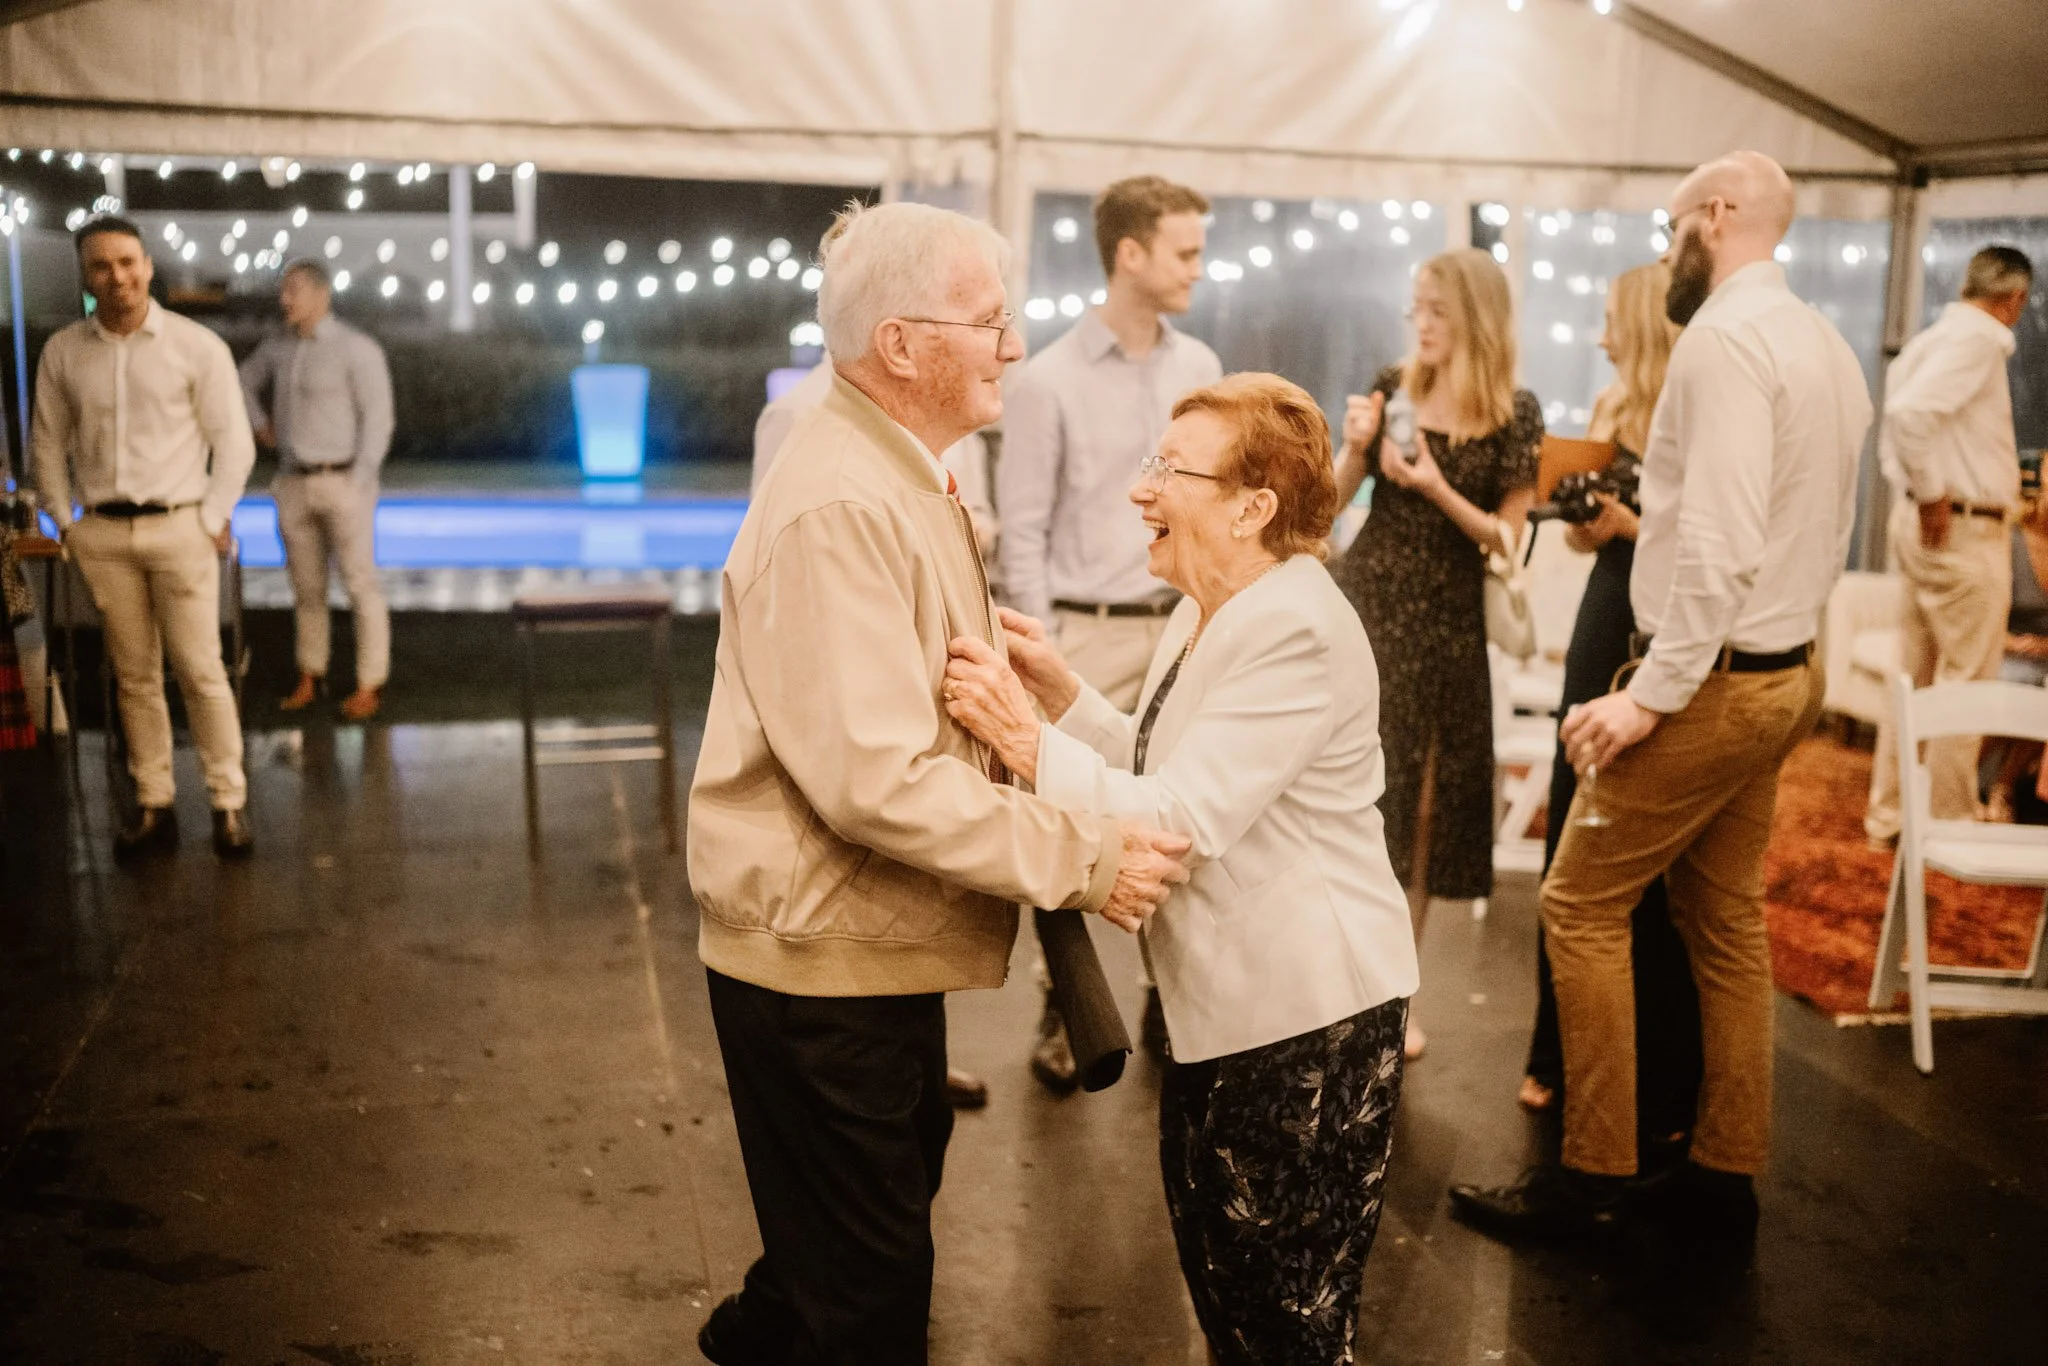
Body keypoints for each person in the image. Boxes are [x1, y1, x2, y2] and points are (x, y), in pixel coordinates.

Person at [686, 201, 1192, 1366]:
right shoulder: (843, 499)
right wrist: (1085, 857)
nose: (1013, 347)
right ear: (902, 346)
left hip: (861, 939)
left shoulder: (896, 465)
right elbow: (874, 781)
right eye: (989, 322)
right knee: (864, 1300)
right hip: (819, 957)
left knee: (861, 1224)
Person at [942, 373, 1418, 1365]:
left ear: (1252, 507)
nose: (1138, 488)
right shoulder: (1209, 604)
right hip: (1227, 1016)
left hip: (1307, 1022)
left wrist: (1026, 744)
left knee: (1285, 1322)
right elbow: (1161, 764)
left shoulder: (1293, 624)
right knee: (1228, 1298)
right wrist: (1067, 702)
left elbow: (1178, 817)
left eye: (1168, 468)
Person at [1451, 151, 1873, 1250]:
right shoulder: (1822, 342)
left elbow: (1720, 542)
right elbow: (1804, 534)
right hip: (1782, 670)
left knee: (1577, 904)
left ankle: (1588, 1176)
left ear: (1715, 217)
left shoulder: (1725, 341)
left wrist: (1646, 695)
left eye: (1665, 226)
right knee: (1723, 923)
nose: (1660, 250)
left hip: (1710, 680)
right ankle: (1720, 1177)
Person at [998, 173, 1221, 1088]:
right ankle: (1070, 1013)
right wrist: (1039, 653)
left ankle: (1177, 1006)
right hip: (1080, 637)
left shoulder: (1202, 372)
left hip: (1181, 629)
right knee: (1066, 832)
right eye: (1185, 252)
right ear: (1129, 255)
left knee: (1182, 824)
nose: (1198, 270)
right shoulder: (1043, 380)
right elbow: (1023, 529)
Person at [1331, 247, 1542, 1059]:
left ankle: (1393, 995)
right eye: (1415, 307)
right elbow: (1336, 497)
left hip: (1451, 624)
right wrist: (1356, 447)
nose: (1420, 324)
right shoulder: (1394, 383)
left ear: (1475, 319)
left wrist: (1433, 486)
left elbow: (1508, 538)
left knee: (1420, 812)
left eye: (1437, 311)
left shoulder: (1516, 411)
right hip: (1375, 604)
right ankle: (1332, 989)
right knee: (1356, 801)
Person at [1519, 261, 1704, 1158]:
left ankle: (1651, 1070)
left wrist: (1629, 526)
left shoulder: (1694, 406)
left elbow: (1687, 533)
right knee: (1572, 817)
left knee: (1642, 852)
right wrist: (1589, 519)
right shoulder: (1607, 407)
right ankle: (1555, 1049)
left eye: (1606, 321)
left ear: (1640, 326)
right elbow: (1605, 531)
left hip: (1658, 612)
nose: (1597, 337)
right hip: (1607, 605)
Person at [31, 216, 256, 858]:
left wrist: (212, 517)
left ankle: (227, 802)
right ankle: (154, 801)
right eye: (101, 265)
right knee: (133, 677)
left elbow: (233, 444)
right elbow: (45, 442)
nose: (117, 277)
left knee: (200, 670)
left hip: (180, 526)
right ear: (86, 274)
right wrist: (64, 522)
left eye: (127, 262)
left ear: (148, 265)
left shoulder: (195, 345)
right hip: (102, 532)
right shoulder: (64, 351)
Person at [1863, 245, 2033, 845]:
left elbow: (1896, 429)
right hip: (1959, 527)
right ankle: (1946, 824)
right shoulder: (1981, 340)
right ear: (2014, 298)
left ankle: (1890, 815)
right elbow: (1911, 419)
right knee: (1966, 682)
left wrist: (1920, 493)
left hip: (1923, 525)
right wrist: (1935, 494)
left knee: (1913, 676)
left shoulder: (1926, 341)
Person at [239, 258, 394, 722]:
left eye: (296, 290)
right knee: (305, 589)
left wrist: (360, 479)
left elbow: (378, 418)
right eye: (284, 290)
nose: (285, 299)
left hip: (343, 481)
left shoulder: (356, 348)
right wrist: (259, 424)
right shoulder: (279, 348)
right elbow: (240, 381)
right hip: (293, 482)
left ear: (322, 295)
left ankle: (369, 682)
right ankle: (312, 673)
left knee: (360, 584)